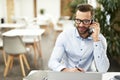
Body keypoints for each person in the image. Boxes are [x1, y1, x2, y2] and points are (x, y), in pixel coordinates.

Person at [48, 4, 110, 72]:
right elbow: (52, 62)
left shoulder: (100, 39)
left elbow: (103, 69)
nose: (81, 25)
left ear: (92, 22)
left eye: (86, 21)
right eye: (78, 20)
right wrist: (67, 70)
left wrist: (96, 40)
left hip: (89, 76)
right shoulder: (65, 36)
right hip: (68, 74)